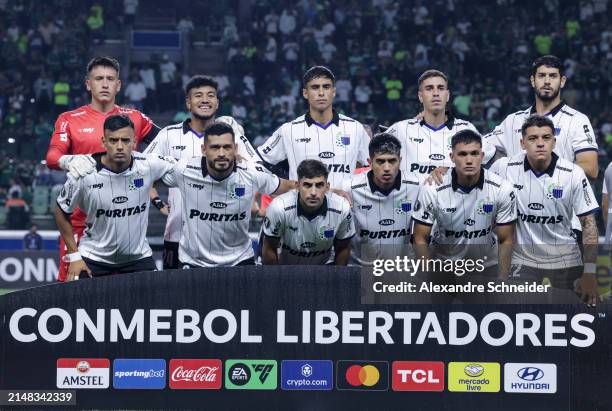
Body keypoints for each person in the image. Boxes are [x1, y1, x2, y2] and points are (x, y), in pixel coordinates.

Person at [46, 56, 159, 282]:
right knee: (73, 291)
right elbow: (52, 156)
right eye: (99, 79)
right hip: (81, 223)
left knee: (133, 297)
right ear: (88, 84)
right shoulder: (69, 119)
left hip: (125, 222)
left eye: (110, 79)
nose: (105, 84)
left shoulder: (135, 118)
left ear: (119, 85)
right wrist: (68, 161)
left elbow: (169, 141)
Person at [144, 75, 258, 269]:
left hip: (227, 240)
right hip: (178, 236)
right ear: (188, 103)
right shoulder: (168, 135)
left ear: (217, 102)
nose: (205, 100)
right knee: (178, 298)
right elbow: (141, 170)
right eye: (198, 95)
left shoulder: (233, 135)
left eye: (210, 95)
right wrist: (157, 202)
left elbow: (256, 170)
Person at [490, 115, 600, 306]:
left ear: (554, 142)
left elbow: (588, 224)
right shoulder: (504, 168)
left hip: (566, 258)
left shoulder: (573, 174)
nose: (540, 143)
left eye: (546, 138)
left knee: (583, 309)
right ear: (522, 143)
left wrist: (589, 272)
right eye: (533, 139)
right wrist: (444, 171)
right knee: (513, 309)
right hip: (522, 258)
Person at [54, 115, 174, 281]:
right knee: (78, 304)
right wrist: (74, 256)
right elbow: (60, 210)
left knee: (154, 304)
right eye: (113, 140)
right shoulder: (83, 172)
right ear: (103, 141)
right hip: (94, 257)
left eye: (125, 140)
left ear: (134, 141)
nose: (119, 146)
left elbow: (185, 170)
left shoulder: (149, 164)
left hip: (138, 257)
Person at [161, 122, 296, 268]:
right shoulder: (184, 170)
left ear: (235, 149)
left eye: (227, 147)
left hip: (240, 261)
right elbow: (148, 173)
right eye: (215, 147)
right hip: (194, 263)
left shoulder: (252, 174)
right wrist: (157, 201)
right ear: (203, 150)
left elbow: (289, 186)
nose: (221, 153)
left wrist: (320, 193)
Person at [412, 130, 516, 301]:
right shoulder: (432, 189)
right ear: (451, 157)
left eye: (474, 154)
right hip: (443, 267)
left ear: (482, 156)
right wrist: (427, 274)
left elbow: (506, 239)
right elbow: (420, 238)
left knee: (483, 324)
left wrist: (503, 280)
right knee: (439, 323)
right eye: (462, 154)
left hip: (484, 267)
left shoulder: (502, 188)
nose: (469, 160)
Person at [485, 55, 598, 179]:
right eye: (542, 75)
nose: (547, 81)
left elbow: (591, 169)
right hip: (517, 198)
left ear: (562, 81)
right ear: (533, 81)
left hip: (558, 196)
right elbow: (479, 146)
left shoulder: (577, 120)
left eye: (553, 76)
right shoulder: (512, 121)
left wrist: (544, 167)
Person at [257, 66, 370, 188]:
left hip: (346, 206)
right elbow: (258, 162)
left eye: (326, 87)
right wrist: (283, 186)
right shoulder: (288, 130)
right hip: (301, 206)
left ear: (334, 92)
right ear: (305, 93)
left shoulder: (355, 128)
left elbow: (372, 168)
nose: (321, 93)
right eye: (315, 87)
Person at [387, 69, 494, 179]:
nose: (436, 93)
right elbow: (374, 154)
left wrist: (451, 170)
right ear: (420, 96)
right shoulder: (401, 129)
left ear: (447, 95)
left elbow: (492, 156)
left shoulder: (466, 128)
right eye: (429, 88)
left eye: (441, 88)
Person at [341, 133, 421, 265]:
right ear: (369, 162)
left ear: (400, 161)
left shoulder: (418, 185)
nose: (387, 168)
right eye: (380, 161)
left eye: (392, 161)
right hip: (361, 270)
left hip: (402, 271)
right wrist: (331, 191)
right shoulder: (348, 187)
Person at [261, 159, 354, 265]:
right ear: (297, 186)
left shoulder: (342, 208)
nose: (313, 192)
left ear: (327, 187)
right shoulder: (278, 207)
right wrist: (277, 279)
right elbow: (269, 249)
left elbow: (343, 248)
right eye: (307, 185)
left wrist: (338, 279)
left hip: (324, 269)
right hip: (285, 269)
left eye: (319, 185)